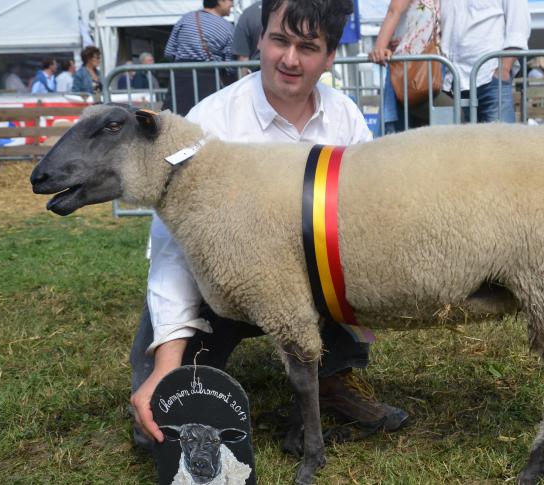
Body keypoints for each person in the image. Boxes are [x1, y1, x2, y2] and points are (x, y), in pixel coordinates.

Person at [130, 0, 409, 451]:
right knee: (161, 427)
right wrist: (166, 364)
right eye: (279, 40)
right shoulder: (210, 121)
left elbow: (371, 227)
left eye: (308, 46)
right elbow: (171, 250)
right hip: (220, 295)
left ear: (331, 55)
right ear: (259, 39)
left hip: (314, 289)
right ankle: (179, 375)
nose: (290, 59)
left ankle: (333, 379)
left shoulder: (346, 120)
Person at [440, 0, 530, 123]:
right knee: (456, 141)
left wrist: (503, 69)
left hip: (491, 78)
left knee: (500, 141)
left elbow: (519, 26)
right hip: (451, 82)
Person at [368, 0, 440, 133]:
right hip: (407, 74)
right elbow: (393, 11)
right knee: (456, 116)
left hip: (433, 73)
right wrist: (380, 47)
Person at [163, 0, 235, 114]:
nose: (232, 4)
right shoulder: (228, 27)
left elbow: (169, 52)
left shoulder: (185, 19)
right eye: (230, 0)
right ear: (220, 2)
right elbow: (230, 65)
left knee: (176, 118)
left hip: (180, 77)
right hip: (209, 79)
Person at [231, 0, 262, 76]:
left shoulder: (249, 13)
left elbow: (243, 57)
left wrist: (244, 82)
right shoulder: (291, 9)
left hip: (256, 77)